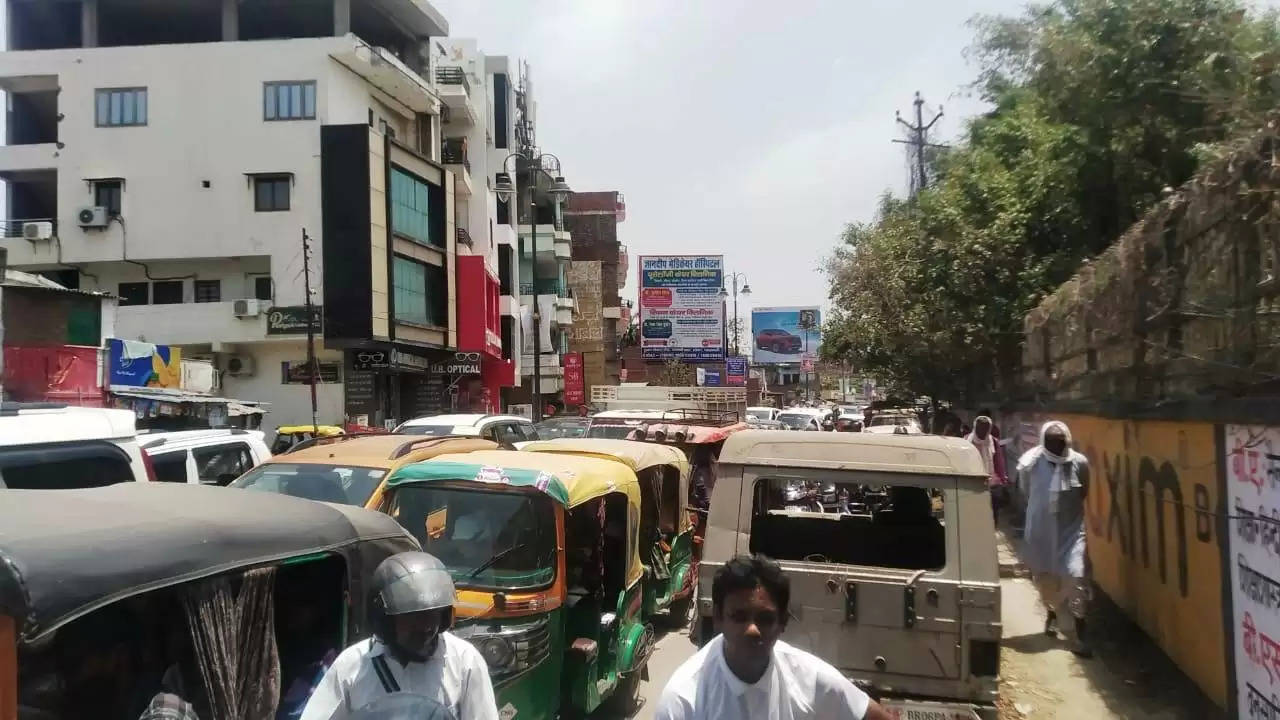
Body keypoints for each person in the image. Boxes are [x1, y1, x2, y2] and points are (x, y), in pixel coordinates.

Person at [654, 555, 893, 720]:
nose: (752, 630)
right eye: (739, 616)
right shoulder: (684, 698)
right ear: (718, 618)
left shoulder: (809, 677)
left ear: (783, 623)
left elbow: (872, 715)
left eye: (765, 619)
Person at [300, 552, 499, 720]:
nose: (426, 627)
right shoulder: (352, 666)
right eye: (414, 617)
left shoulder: (465, 661)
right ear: (384, 620)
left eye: (433, 614)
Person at [1017, 421, 1091, 657]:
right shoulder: (1031, 463)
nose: (1058, 445)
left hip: (1071, 531)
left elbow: (1084, 490)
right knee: (1046, 580)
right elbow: (1026, 492)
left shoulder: (1079, 462)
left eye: (1062, 440)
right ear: (1044, 441)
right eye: (1053, 441)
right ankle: (1053, 614)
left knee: (1074, 575)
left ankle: (1079, 630)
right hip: (1040, 531)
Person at [965, 416, 1009, 522]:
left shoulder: (993, 441)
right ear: (975, 427)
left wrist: (1002, 479)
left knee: (992, 514)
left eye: (986, 429)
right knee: (975, 514)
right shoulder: (966, 441)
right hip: (972, 485)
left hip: (991, 485)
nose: (983, 431)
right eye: (980, 428)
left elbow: (999, 462)